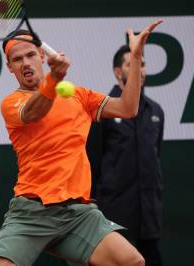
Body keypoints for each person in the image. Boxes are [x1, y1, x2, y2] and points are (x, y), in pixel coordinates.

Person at [0, 19, 162, 266]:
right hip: (31, 212)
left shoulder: (79, 96)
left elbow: (128, 107)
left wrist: (134, 58)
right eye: (17, 60)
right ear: (10, 67)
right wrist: (55, 78)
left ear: (41, 56)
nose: (25, 63)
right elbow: (35, 112)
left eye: (30, 55)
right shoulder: (12, 103)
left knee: (131, 261)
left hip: (78, 213)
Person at [91, 44, 164, 266]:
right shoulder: (103, 109)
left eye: (141, 64)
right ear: (118, 72)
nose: (138, 69)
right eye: (131, 64)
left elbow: (155, 157)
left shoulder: (156, 111)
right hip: (113, 218)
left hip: (148, 218)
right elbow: (92, 161)